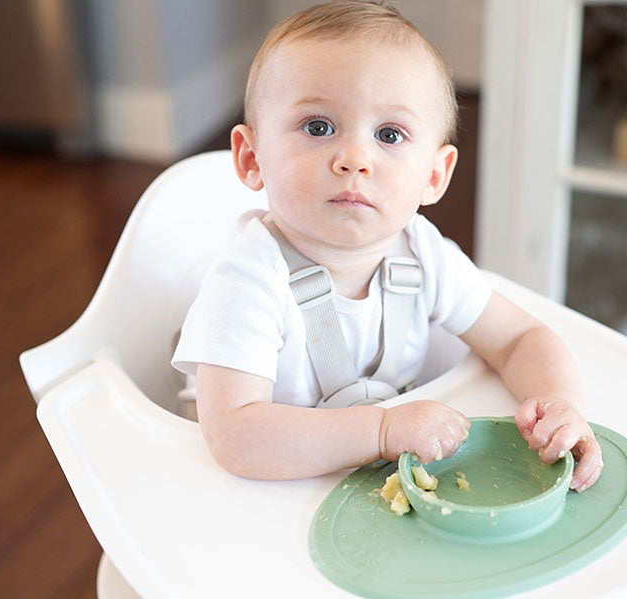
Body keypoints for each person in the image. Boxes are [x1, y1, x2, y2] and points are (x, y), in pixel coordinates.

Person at [172, 0, 603, 491]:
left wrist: (560, 404)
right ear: (252, 158)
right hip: (250, 496)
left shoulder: (423, 254)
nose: (355, 158)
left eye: (389, 134)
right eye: (318, 127)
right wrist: (381, 430)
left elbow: (519, 339)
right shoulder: (248, 278)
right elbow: (234, 436)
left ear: (434, 175)